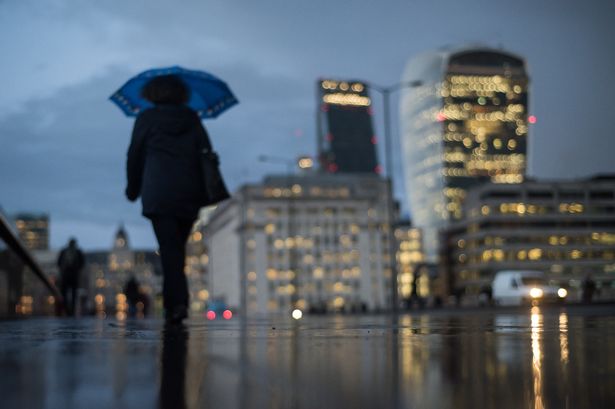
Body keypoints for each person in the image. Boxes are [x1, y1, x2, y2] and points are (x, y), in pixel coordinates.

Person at [125, 75, 213, 324]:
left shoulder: (146, 118)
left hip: (158, 191)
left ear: (151, 93)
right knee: (177, 248)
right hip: (189, 192)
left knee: (169, 248)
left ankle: (176, 304)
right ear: (181, 94)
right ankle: (178, 303)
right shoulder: (192, 118)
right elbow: (206, 152)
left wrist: (133, 189)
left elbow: (134, 155)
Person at [57, 238, 85, 316]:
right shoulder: (75, 252)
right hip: (68, 275)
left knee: (72, 294)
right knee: (66, 294)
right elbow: (59, 263)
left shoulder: (71, 251)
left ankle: (70, 311)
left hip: (71, 275)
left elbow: (82, 263)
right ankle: (68, 311)